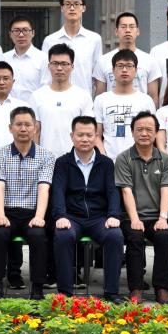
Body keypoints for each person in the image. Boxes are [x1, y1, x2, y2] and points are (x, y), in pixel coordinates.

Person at [50, 117, 125, 300]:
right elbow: (57, 191)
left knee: (115, 236)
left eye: (89, 135)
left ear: (96, 136)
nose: (85, 139)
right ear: (72, 136)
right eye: (80, 135)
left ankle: (112, 292)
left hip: (99, 218)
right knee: (63, 236)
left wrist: (113, 215)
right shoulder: (62, 162)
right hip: (72, 217)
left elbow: (113, 192)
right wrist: (60, 215)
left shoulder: (106, 163)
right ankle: (65, 294)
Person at [0, 107, 51, 300]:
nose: (23, 129)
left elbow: (44, 189)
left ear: (35, 128)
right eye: (18, 124)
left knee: (38, 236)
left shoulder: (46, 156)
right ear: (10, 128)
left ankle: (37, 288)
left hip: (32, 213)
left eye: (28, 124)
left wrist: (39, 217)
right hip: (7, 211)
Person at [115, 111, 168, 301]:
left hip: (158, 216)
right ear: (132, 132)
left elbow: (166, 190)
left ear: (156, 133)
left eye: (149, 129)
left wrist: (163, 218)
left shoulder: (165, 160)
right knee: (135, 237)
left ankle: (161, 287)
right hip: (132, 216)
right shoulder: (124, 158)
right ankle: (136, 288)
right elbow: (126, 191)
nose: (144, 133)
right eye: (139, 129)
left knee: (164, 237)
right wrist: (134, 219)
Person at [32, 44, 95, 161]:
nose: (59, 68)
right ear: (49, 66)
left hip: (75, 161)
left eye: (64, 64)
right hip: (45, 161)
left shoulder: (83, 96)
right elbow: (35, 132)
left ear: (72, 66)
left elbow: (87, 131)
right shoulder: (37, 96)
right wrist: (35, 160)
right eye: (55, 63)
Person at [94, 50, 156, 156]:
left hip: (138, 161)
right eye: (120, 66)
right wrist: (104, 158)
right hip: (109, 160)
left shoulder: (146, 100)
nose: (124, 70)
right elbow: (96, 136)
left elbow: (152, 134)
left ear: (136, 70)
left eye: (129, 66)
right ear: (113, 70)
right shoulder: (101, 100)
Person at [41, 0, 100, 94]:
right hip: (56, 97)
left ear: (83, 8)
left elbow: (97, 75)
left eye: (76, 4)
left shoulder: (94, 39)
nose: (72, 8)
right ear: (62, 8)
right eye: (68, 4)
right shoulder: (49, 41)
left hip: (83, 97)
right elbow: (46, 74)